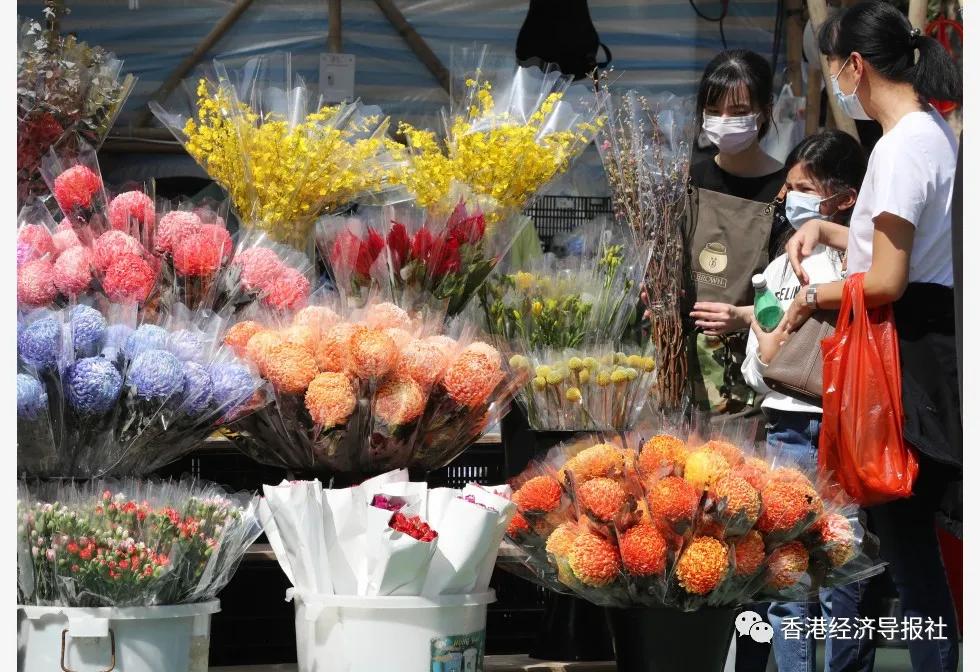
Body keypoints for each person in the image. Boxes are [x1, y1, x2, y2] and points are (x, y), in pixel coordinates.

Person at [782, 4, 961, 671]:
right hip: (919, 351)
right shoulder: (929, 133)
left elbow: (886, 278)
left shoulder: (902, 144)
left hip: (904, 358)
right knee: (907, 560)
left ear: (855, 66)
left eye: (832, 67)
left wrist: (808, 297)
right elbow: (897, 246)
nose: (835, 82)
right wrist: (833, 232)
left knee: (912, 567)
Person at [742, 130, 873, 672]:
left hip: (847, 429)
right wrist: (794, 304)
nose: (791, 199)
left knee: (846, 567)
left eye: (804, 189)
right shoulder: (778, 268)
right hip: (790, 428)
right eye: (788, 189)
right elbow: (765, 356)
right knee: (790, 566)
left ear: (843, 197)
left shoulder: (866, 261)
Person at [684, 49, 788, 420]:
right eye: (714, 111)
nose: (724, 121)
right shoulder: (688, 181)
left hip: (752, 374)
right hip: (680, 368)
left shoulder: (786, 191)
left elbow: (798, 296)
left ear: (766, 109)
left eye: (739, 111)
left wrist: (743, 315)